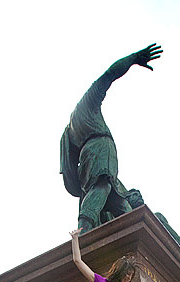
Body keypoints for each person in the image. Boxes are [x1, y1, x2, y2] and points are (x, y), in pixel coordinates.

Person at [60, 45, 161, 232]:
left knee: (121, 205)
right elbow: (109, 76)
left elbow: (71, 172)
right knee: (103, 185)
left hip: (90, 156)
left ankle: (135, 237)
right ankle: (83, 232)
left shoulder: (69, 133)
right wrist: (133, 58)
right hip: (100, 149)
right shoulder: (87, 105)